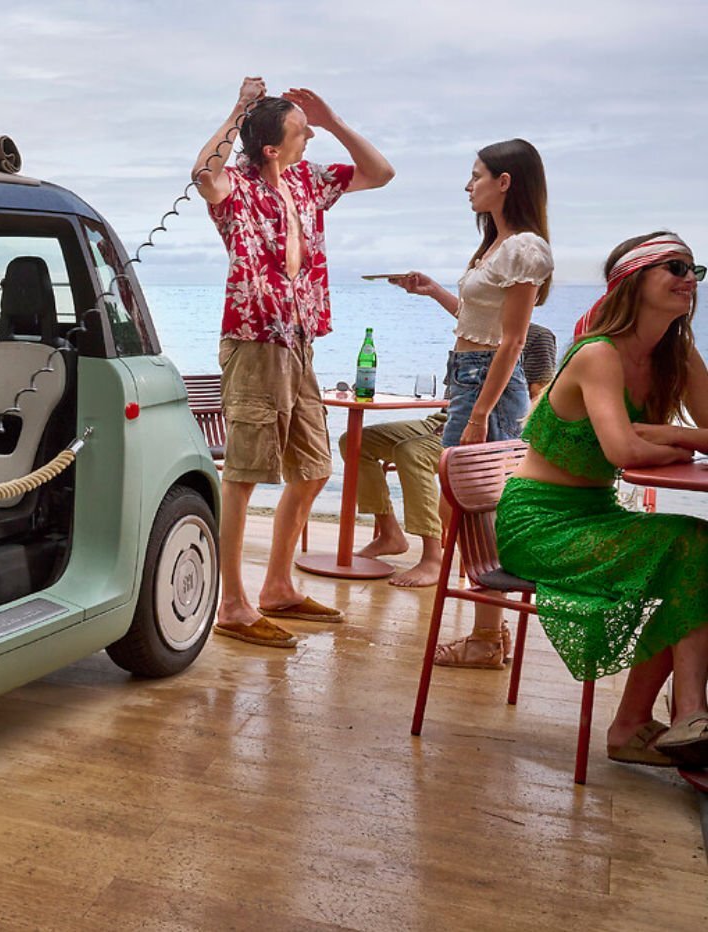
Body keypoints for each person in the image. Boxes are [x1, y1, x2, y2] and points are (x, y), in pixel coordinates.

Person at [193, 76, 394, 648]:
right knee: (245, 474)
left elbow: (380, 173)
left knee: (313, 468)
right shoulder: (236, 188)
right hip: (254, 341)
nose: (310, 138)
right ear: (272, 148)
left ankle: (277, 587)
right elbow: (203, 174)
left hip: (300, 341)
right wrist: (237, 109)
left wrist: (331, 120)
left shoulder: (309, 181)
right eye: (302, 132)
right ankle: (232, 604)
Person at [497, 232, 708, 768]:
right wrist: (666, 436)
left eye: (694, 271)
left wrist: (665, 434)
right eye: (675, 267)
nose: (689, 279)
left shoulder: (676, 355)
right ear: (634, 281)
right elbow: (620, 448)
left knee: (694, 554)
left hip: (596, 514)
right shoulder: (599, 354)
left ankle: (649, 724)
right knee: (692, 547)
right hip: (539, 523)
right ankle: (680, 717)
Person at [390, 139, 552, 665]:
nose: (469, 184)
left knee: (477, 507)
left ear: (505, 182)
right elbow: (480, 324)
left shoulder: (524, 248)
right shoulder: (496, 246)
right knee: (464, 506)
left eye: (477, 174)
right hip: (469, 375)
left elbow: (512, 341)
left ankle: (486, 637)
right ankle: (489, 633)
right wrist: (436, 291)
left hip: (488, 384)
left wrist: (481, 413)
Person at [338, 323, 556, 588]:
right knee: (356, 441)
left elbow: (539, 398)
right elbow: (453, 395)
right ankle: (389, 533)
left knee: (411, 452)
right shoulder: (473, 329)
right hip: (442, 417)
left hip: (479, 428)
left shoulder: (534, 337)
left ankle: (432, 557)